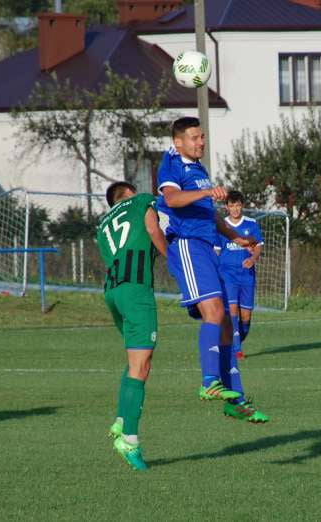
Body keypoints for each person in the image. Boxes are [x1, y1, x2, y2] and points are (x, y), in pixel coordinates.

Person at [156, 116, 269, 423]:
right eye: (195, 137)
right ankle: (209, 384)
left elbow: (209, 214)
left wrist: (236, 237)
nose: (201, 142)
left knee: (228, 326)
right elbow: (171, 199)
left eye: (202, 137)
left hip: (207, 245)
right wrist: (206, 193)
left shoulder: (199, 170)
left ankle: (236, 399)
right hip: (188, 244)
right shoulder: (173, 164)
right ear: (179, 142)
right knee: (216, 313)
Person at [99, 181, 168, 471]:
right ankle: (130, 439)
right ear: (127, 193)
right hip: (137, 290)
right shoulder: (140, 201)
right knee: (142, 365)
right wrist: (173, 258)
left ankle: (120, 421)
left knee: (135, 359)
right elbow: (153, 229)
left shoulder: (102, 224)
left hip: (113, 292)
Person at [215, 191, 263, 360]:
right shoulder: (222, 226)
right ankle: (236, 350)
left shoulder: (251, 224)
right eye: (231, 205)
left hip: (247, 275)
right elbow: (217, 250)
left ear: (242, 206)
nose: (234, 209)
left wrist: (253, 258)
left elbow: (257, 246)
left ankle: (235, 341)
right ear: (226, 207)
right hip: (227, 274)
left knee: (246, 317)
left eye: (237, 205)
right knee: (232, 311)